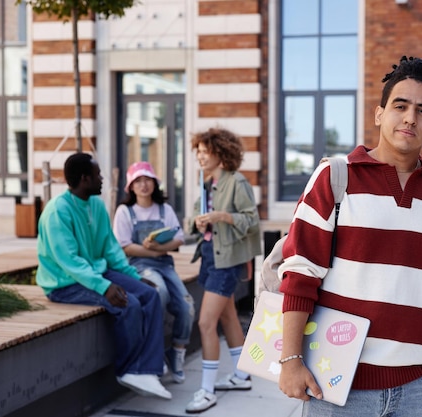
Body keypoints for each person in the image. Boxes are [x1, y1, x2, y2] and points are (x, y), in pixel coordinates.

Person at [277, 56, 422, 417]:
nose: (411, 117)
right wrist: (290, 359)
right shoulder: (335, 177)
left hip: (417, 388)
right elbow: (301, 271)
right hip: (337, 384)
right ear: (379, 114)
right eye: (401, 105)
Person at [35, 153, 171, 400]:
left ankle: (147, 366)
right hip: (64, 283)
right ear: (85, 178)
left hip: (96, 272)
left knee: (150, 294)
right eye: (98, 174)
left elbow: (110, 249)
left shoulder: (96, 205)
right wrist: (104, 286)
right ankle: (130, 369)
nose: (102, 179)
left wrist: (133, 276)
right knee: (128, 303)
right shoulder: (57, 211)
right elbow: (69, 262)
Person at [185, 127, 261, 413]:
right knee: (228, 316)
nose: (201, 157)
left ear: (221, 152)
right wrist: (198, 222)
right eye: (199, 153)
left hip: (227, 261)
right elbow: (191, 218)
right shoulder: (206, 183)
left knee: (206, 323)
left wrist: (222, 216)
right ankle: (241, 375)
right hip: (208, 256)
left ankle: (206, 390)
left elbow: (251, 221)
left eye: (206, 152)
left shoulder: (236, 182)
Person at [113, 161, 195, 384]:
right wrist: (154, 252)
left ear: (155, 183)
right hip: (138, 266)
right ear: (131, 186)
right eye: (138, 181)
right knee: (159, 293)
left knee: (187, 306)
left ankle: (176, 353)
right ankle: (154, 354)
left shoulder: (165, 209)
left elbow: (178, 238)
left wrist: (157, 248)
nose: (143, 185)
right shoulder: (124, 212)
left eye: (147, 179)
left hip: (165, 264)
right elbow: (124, 246)